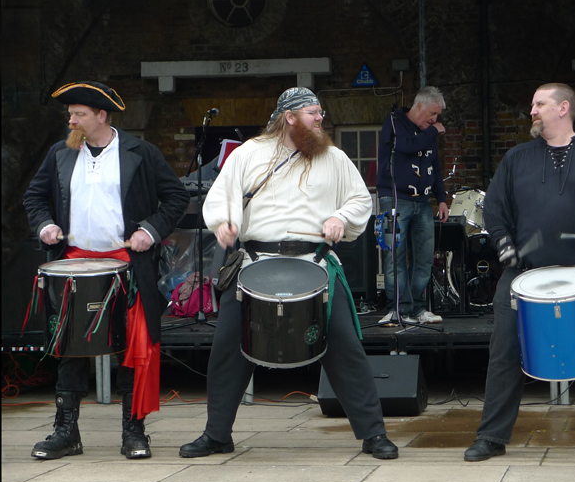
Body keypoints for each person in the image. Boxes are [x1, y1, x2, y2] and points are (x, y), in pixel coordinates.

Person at [179, 87, 399, 459]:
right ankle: (217, 435)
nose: (320, 118)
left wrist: (340, 217)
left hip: (316, 264)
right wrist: (226, 223)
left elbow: (360, 198)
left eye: (320, 112)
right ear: (290, 117)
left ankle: (373, 434)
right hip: (254, 264)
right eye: (313, 113)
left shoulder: (333, 157)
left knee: (345, 348)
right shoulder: (249, 153)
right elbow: (222, 196)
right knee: (228, 350)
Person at [464, 83, 575, 461]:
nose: (532, 110)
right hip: (523, 275)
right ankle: (491, 437)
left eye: (540, 104)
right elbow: (495, 208)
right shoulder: (516, 158)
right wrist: (503, 241)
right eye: (533, 104)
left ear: (563, 108)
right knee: (504, 354)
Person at [23, 81, 189, 460]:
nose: (71, 120)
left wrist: (150, 230)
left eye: (79, 114)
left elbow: (176, 196)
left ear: (101, 115)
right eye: (71, 114)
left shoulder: (140, 152)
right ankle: (66, 432)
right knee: (70, 348)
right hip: (74, 264)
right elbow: (34, 196)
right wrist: (45, 224)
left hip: (126, 265)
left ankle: (134, 432)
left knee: (132, 348)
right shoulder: (60, 154)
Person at [376, 86, 450, 325]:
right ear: (418, 106)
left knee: (424, 257)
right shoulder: (394, 122)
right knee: (395, 257)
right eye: (432, 114)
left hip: (422, 200)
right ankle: (397, 309)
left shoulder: (427, 132)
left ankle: (418, 308)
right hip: (395, 198)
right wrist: (433, 132)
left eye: (437, 116)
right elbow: (407, 145)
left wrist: (441, 198)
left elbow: (435, 166)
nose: (434, 120)